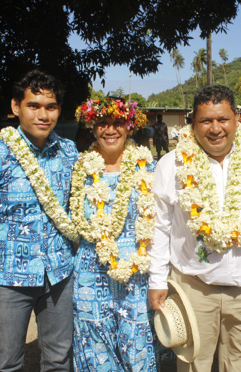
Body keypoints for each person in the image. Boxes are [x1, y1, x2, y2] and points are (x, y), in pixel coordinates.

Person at [0, 70, 78, 371]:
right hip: (8, 279)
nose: (43, 114)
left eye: (51, 107)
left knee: (59, 359)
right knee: (7, 361)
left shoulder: (70, 153)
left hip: (60, 274)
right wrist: (0, 248)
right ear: (15, 107)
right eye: (34, 105)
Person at [149, 85, 241, 371]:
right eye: (206, 120)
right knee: (194, 366)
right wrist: (157, 279)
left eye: (223, 119)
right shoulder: (171, 165)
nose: (215, 128)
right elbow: (160, 227)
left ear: (237, 118)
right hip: (194, 288)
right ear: (193, 122)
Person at [71, 97, 160, 371]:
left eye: (117, 123)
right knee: (96, 346)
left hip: (136, 272)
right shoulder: (79, 170)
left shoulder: (150, 168)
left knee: (137, 345)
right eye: (102, 124)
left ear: (130, 126)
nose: (110, 130)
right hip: (90, 271)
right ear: (92, 128)